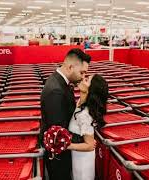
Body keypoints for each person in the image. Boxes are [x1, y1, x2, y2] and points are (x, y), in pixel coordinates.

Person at [40, 48, 92, 180]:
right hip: (58, 156)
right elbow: (58, 131)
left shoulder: (60, 82)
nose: (83, 76)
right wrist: (86, 140)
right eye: (82, 72)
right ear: (70, 67)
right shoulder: (56, 90)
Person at [68, 74, 109, 180]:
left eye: (87, 80)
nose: (82, 78)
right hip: (78, 155)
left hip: (82, 161)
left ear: (90, 89)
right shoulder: (81, 103)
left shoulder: (85, 114)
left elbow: (90, 145)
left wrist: (66, 145)